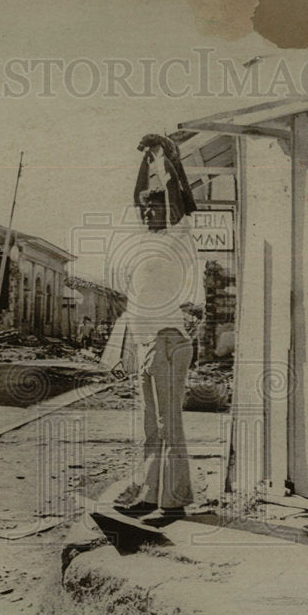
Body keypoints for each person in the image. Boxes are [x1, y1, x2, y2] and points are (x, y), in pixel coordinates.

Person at [114, 134, 198, 526]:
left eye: (156, 209)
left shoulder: (178, 237)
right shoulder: (145, 241)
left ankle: (175, 501)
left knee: (169, 425)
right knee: (151, 427)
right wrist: (146, 157)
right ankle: (150, 495)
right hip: (148, 342)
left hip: (169, 340)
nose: (148, 214)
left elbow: (180, 196)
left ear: (170, 212)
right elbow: (137, 197)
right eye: (146, 211)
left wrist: (170, 156)